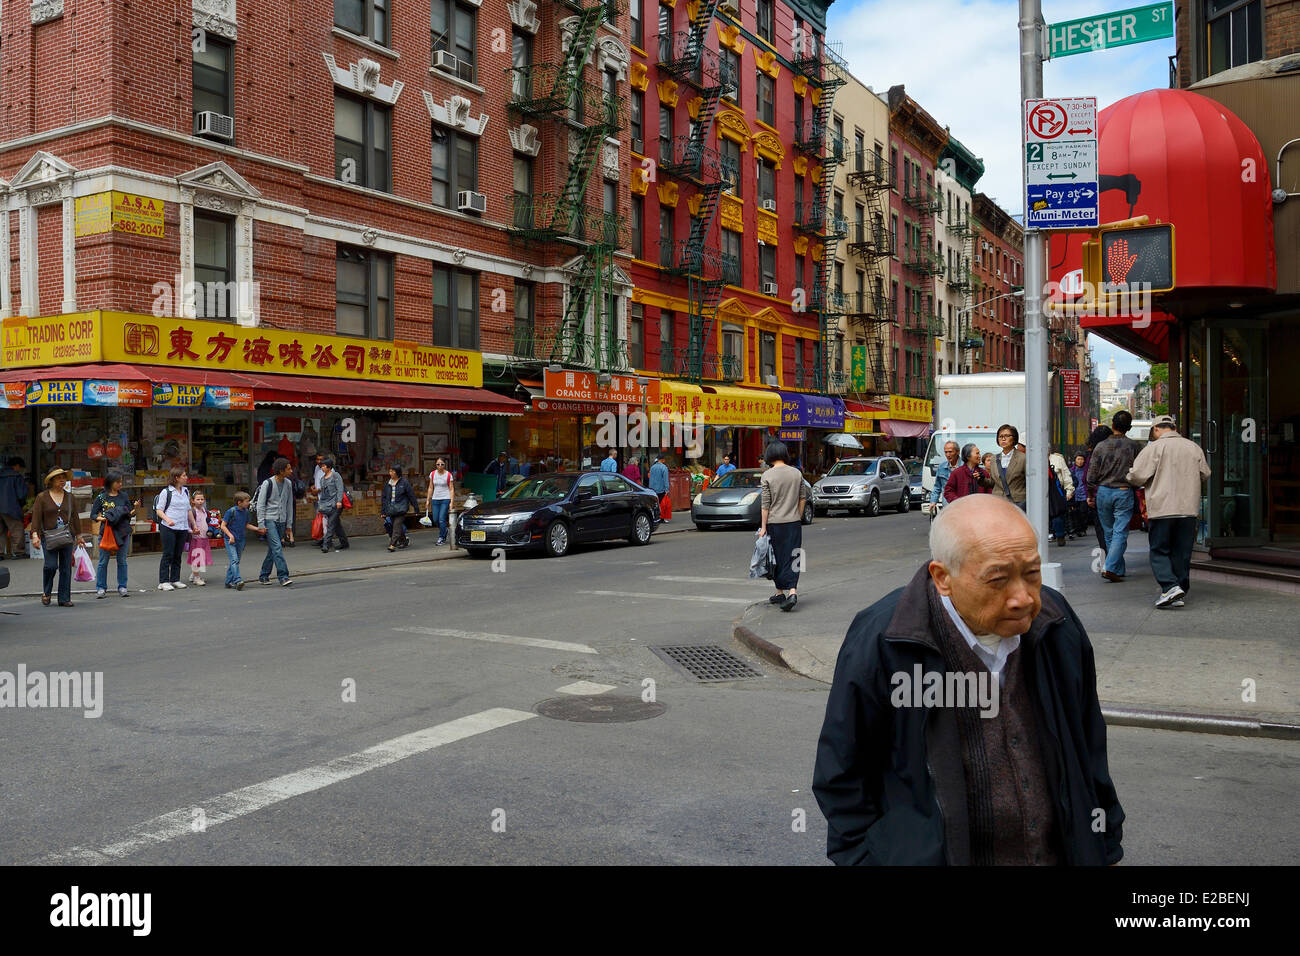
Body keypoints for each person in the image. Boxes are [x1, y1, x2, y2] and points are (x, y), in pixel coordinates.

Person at [812, 494, 1125, 866]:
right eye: (998, 579)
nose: (1022, 598)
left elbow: (1088, 745)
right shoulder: (887, 640)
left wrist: (1103, 845)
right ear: (943, 577)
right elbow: (842, 774)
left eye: (1032, 573)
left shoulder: (1056, 624)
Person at [1126, 414, 1211, 609]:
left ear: (1156, 429)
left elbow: (1137, 476)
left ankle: (1170, 586)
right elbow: (1205, 473)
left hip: (1162, 508)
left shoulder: (1153, 448)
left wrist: (1130, 476)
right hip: (1188, 508)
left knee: (1159, 550)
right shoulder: (1193, 447)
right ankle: (1179, 590)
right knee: (1182, 552)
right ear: (1173, 427)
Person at [1086, 411, 1142, 582]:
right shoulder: (1134, 446)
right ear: (1129, 427)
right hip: (1124, 491)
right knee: (1120, 532)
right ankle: (1111, 567)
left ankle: (1116, 569)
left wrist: (1090, 494)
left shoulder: (1100, 446)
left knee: (1109, 532)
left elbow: (1091, 475)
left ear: (1113, 425)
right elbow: (1140, 471)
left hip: (1103, 491)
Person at [31, 467, 88, 607]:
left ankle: (64, 598)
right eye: (58, 478)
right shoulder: (42, 497)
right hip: (48, 536)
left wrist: (79, 536)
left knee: (65, 567)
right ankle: (47, 591)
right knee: (50, 566)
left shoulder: (70, 497)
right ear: (51, 480)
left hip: (67, 536)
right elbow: (36, 518)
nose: (62, 480)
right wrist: (34, 535)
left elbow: (75, 517)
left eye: (63, 477)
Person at [759, 442, 806, 612]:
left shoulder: (767, 475)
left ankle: (781, 591)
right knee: (795, 556)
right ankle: (790, 591)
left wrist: (763, 527)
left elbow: (765, 504)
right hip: (793, 523)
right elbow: (803, 498)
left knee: (775, 558)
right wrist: (798, 516)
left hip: (774, 523)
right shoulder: (796, 473)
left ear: (769, 455)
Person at [90, 469, 139, 598]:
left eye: (121, 482)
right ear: (111, 483)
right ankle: (101, 588)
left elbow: (128, 513)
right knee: (103, 561)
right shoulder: (101, 497)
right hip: (106, 531)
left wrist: (135, 509)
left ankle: (122, 586)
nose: (120, 484)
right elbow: (93, 514)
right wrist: (101, 519)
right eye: (118, 482)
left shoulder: (124, 496)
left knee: (122, 560)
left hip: (122, 531)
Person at [254, 457, 294, 587]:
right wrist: (261, 524)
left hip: (282, 520)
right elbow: (260, 505)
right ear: (281, 471)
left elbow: (289, 505)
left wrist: (289, 525)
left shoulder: (288, 483)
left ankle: (263, 575)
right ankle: (283, 576)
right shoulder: (268, 483)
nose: (291, 471)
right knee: (277, 547)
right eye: (288, 469)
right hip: (269, 519)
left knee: (273, 549)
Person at [154, 466, 192, 592]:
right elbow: (159, 510)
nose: (186, 478)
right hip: (168, 527)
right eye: (184, 475)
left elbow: (188, 510)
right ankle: (163, 581)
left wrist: (194, 525)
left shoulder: (186, 491)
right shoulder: (166, 492)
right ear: (177, 478)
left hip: (182, 526)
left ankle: (175, 579)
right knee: (168, 553)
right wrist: (168, 519)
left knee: (178, 554)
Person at [220, 491, 261, 590]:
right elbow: (223, 526)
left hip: (240, 540)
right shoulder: (231, 511)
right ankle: (237, 580)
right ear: (239, 502)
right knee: (234, 560)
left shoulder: (246, 512)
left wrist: (257, 529)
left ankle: (228, 581)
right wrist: (230, 536)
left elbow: (246, 524)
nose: (249, 503)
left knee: (235, 561)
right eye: (247, 501)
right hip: (230, 540)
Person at [1082, 425, 1113, 552]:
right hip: (1118, 494)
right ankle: (1115, 561)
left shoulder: (1093, 454)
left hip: (1098, 497)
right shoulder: (1116, 451)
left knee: (1102, 531)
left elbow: (1087, 478)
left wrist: (1089, 496)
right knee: (1117, 532)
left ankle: (1107, 560)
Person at [316, 456, 349, 553]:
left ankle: (326, 544)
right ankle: (344, 543)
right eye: (321, 466)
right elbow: (323, 494)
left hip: (336, 504)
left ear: (329, 467)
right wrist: (320, 505)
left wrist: (339, 501)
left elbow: (340, 489)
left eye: (324, 466)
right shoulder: (322, 479)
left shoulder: (335, 475)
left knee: (331, 524)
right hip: (327, 505)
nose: (322, 468)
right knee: (336, 525)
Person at [990, 424, 1027, 510]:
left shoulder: (1023, 458)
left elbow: (1029, 482)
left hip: (1017, 503)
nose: (1003, 439)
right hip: (997, 502)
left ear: (1014, 438)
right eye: (1000, 436)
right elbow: (992, 483)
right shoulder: (993, 459)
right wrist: (981, 479)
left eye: (1007, 436)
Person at [0, 457, 30, 560]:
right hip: (11, 506)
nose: (20, 470)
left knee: (0, 531)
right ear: (16, 466)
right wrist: (22, 505)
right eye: (20, 468)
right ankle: (18, 552)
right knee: (16, 528)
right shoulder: (16, 476)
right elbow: (21, 495)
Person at [382, 465, 417, 552]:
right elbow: (384, 498)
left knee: (396, 525)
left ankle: (392, 544)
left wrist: (416, 507)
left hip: (401, 508)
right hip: (391, 508)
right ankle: (404, 540)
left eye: (392, 471)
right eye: (390, 471)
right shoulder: (387, 483)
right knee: (397, 526)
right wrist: (383, 510)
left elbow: (411, 495)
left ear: (397, 472)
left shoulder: (404, 483)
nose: (390, 473)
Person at [423, 458, 454, 547]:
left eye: (442, 464)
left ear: (445, 465)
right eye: (438, 464)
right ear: (435, 465)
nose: (440, 466)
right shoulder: (432, 474)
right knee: (436, 519)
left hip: (445, 498)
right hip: (435, 499)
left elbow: (451, 489)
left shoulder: (448, 475)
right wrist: (428, 500)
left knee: (441, 519)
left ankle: (441, 537)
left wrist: (451, 501)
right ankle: (444, 530)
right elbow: (430, 487)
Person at [1048, 448, 1075, 546]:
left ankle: (1060, 535)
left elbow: (1066, 475)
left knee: (1057, 514)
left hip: (1056, 490)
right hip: (1040, 491)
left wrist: (1069, 490)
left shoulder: (1057, 459)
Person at [187, 490, 212, 586]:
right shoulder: (192, 512)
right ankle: (196, 578)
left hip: (204, 538)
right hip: (196, 538)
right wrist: (191, 531)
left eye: (202, 499)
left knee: (201, 558)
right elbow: (187, 526)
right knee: (196, 558)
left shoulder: (205, 511)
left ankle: (194, 575)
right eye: (198, 499)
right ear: (193, 501)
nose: (200, 501)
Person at [929, 441, 960, 507]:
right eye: (946, 452)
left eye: (950, 452)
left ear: (958, 452)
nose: (948, 455)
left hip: (961, 505)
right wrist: (933, 501)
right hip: (947, 506)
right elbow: (937, 487)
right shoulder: (941, 467)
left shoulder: (965, 467)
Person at [1068, 452, 1089, 539]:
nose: (1080, 461)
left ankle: (1083, 528)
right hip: (1074, 495)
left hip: (1084, 494)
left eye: (1082, 459)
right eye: (1078, 459)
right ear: (1075, 460)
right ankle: (1077, 529)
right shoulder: (1071, 471)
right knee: (1075, 513)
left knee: (1083, 512)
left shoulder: (1087, 470)